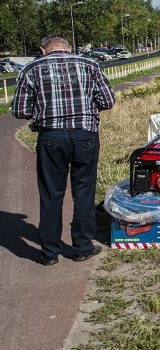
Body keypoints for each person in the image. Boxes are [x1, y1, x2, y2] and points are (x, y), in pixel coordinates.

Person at [11, 35, 116, 266]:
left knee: (51, 194)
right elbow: (108, 101)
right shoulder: (90, 65)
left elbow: (19, 110)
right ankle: (82, 247)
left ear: (43, 49)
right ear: (69, 48)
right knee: (84, 191)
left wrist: (42, 110)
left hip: (51, 137)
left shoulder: (31, 69)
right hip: (84, 134)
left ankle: (49, 253)